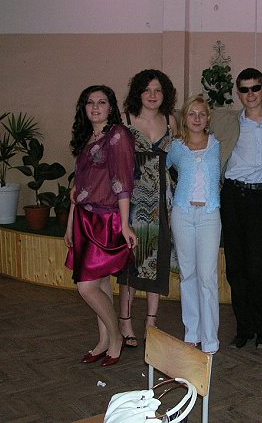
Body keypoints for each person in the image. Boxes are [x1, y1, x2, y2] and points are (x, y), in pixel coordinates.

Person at [64, 85, 137, 367]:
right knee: (101, 282)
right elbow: (78, 188)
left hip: (107, 219)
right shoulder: (88, 137)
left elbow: (123, 182)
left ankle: (116, 337)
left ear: (111, 107)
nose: (95, 107)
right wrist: (70, 224)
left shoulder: (117, 135)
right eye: (90, 102)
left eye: (102, 102)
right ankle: (104, 340)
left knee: (87, 287)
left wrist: (125, 225)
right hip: (84, 218)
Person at [211, 68, 262, 349]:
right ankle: (243, 328)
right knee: (235, 268)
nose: (250, 94)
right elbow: (187, 115)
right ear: (238, 93)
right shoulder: (226, 121)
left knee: (256, 268)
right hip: (233, 197)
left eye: (255, 88)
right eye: (244, 89)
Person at [115, 69, 178, 347]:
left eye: (158, 90)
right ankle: (125, 321)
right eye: (147, 90)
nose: (152, 95)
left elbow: (177, 160)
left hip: (163, 200)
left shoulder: (170, 120)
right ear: (138, 92)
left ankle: (151, 322)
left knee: (157, 259)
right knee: (131, 261)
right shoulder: (125, 120)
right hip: (132, 200)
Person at [167, 95, 222, 354]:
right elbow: (158, 169)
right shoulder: (176, 147)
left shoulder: (217, 144)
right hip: (183, 214)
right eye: (192, 114)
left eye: (201, 114)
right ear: (184, 118)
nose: (197, 118)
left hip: (209, 215)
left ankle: (210, 337)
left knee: (207, 277)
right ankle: (192, 331)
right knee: (188, 274)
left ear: (208, 118)